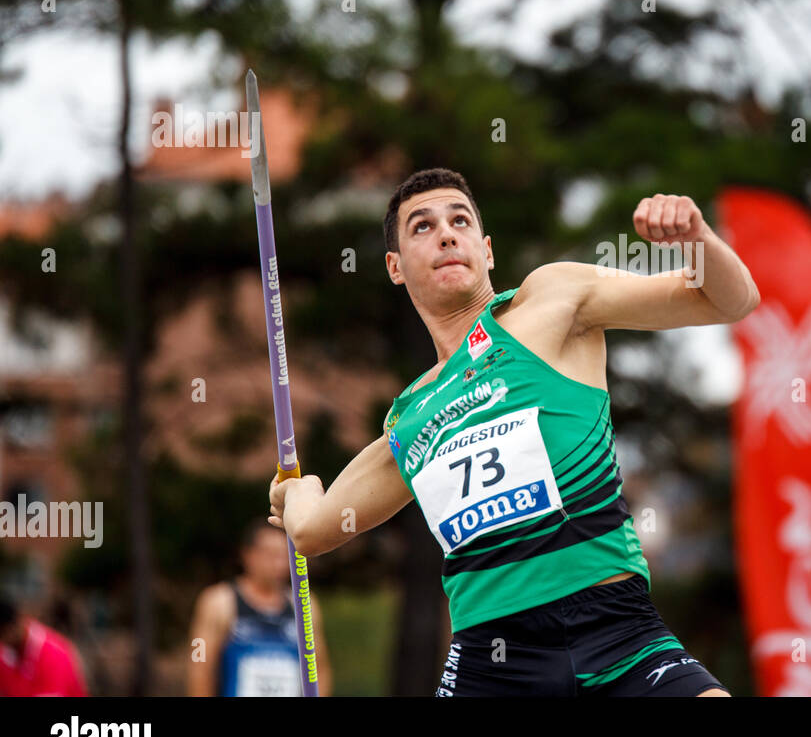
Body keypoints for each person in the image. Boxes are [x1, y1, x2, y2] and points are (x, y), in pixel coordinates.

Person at [269, 168, 759, 696]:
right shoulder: (408, 419)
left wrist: (698, 242)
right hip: (493, 664)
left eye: (460, 220)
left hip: (618, 633)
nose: (446, 234)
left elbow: (731, 301)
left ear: (487, 249)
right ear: (395, 267)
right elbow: (314, 530)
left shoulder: (553, 301)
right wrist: (299, 490)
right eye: (422, 227)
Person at [188, 520, 332, 696]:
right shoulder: (220, 601)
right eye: (271, 555)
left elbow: (319, 666)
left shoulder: (304, 604)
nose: (279, 564)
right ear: (248, 555)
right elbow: (201, 666)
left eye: (285, 555)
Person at [0, 591, 88, 696]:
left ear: (14, 625)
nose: (3, 641)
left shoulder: (52, 653)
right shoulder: (7, 653)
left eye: (3, 635)